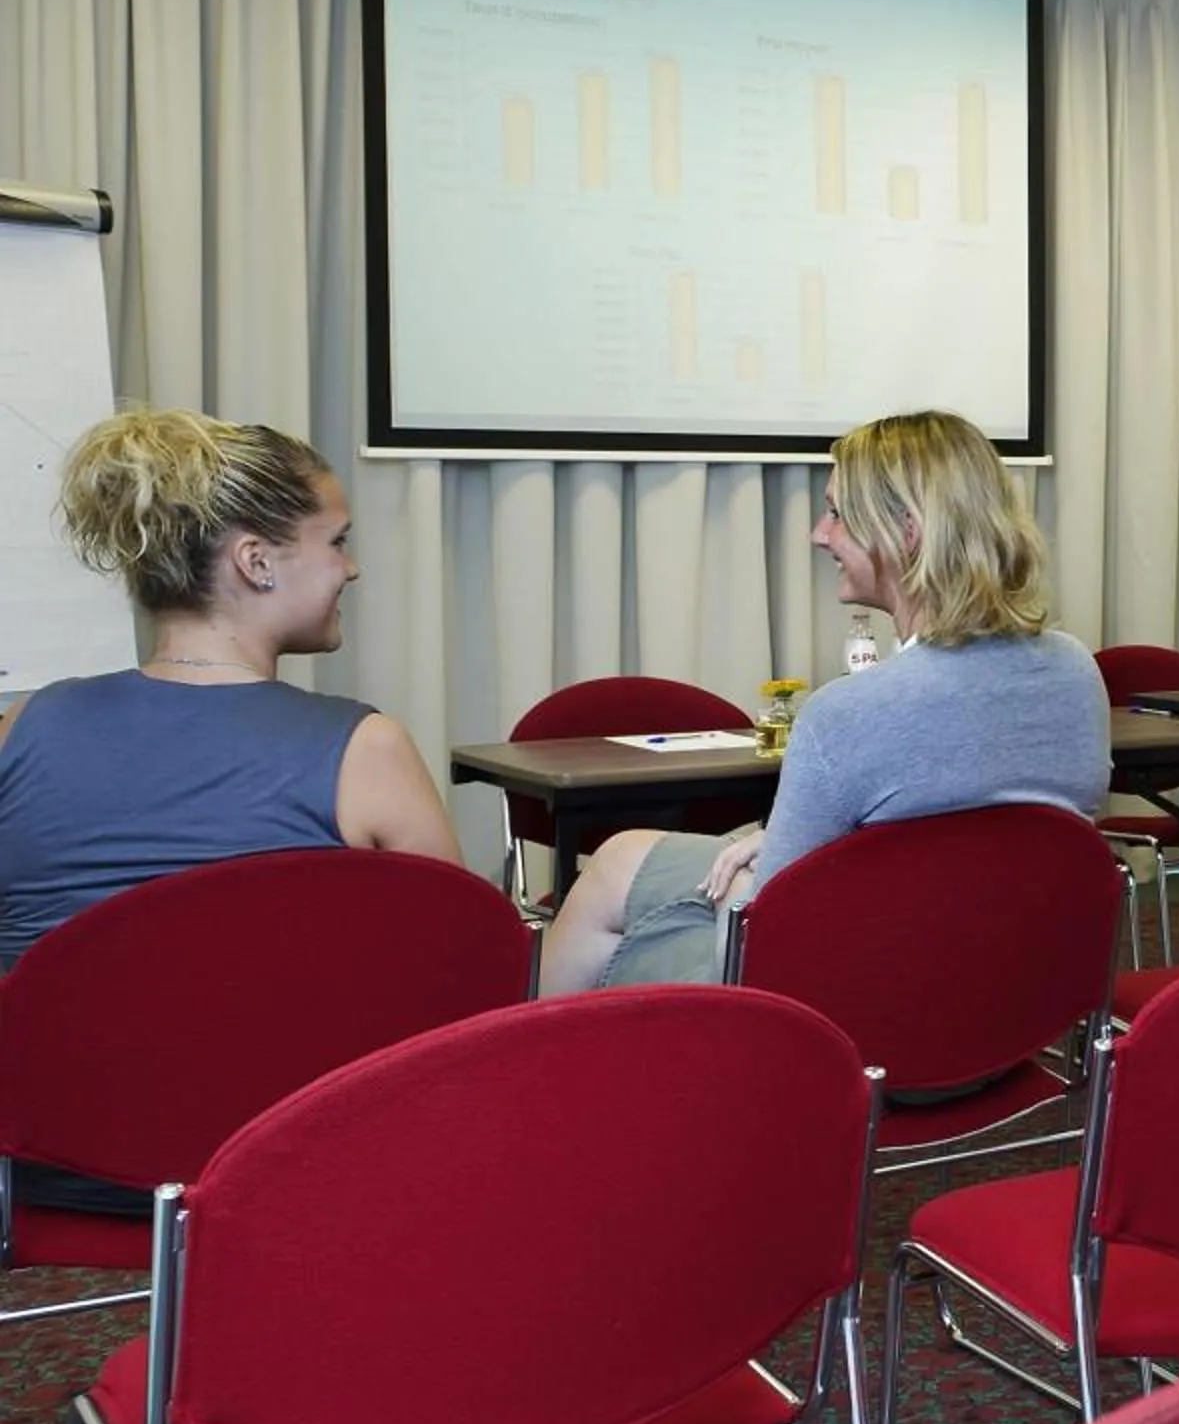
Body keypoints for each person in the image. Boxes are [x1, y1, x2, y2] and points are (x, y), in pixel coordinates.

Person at [0, 407, 464, 1209]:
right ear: (256, 561)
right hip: (275, 1168)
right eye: (337, 541)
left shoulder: (21, 726)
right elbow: (458, 983)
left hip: (41, 1165)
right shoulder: (366, 748)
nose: (350, 570)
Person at [537, 410, 1110, 995]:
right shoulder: (1075, 671)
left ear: (906, 532)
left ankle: (524, 1066)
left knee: (631, 919)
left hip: (855, 1018)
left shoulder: (848, 713)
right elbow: (984, 840)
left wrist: (749, 887)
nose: (819, 533)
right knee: (621, 858)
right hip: (1008, 1003)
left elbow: (765, 942)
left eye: (837, 513)